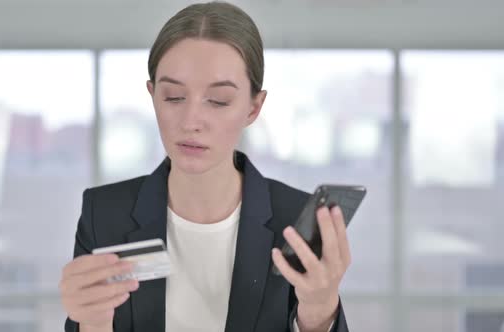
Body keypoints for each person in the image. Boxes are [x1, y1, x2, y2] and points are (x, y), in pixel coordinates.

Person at [59, 2, 351, 331]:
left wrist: (319, 309)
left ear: (254, 108)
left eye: (218, 101)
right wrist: (92, 321)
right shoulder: (104, 213)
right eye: (173, 97)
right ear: (152, 95)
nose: (191, 122)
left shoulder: (295, 218)